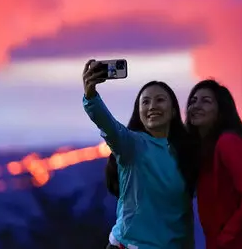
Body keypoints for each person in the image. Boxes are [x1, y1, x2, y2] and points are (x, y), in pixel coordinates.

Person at [82, 59, 200, 249]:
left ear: (173, 111)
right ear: (139, 111)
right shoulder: (132, 145)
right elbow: (109, 127)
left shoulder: (187, 153)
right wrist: (91, 96)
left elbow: (184, 217)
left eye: (160, 100)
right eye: (145, 102)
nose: (152, 106)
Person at [186, 79, 242, 249]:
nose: (196, 106)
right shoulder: (203, 153)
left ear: (221, 111)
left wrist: (226, 237)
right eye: (193, 101)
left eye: (206, 101)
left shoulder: (228, 142)